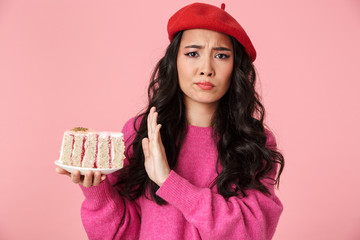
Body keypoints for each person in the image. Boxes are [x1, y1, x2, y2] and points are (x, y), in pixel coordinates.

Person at [56, 2, 285, 240]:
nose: (206, 69)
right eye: (192, 53)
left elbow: (253, 232)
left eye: (221, 55)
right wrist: (96, 191)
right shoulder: (141, 134)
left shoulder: (254, 142)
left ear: (235, 67)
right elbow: (121, 233)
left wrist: (169, 182)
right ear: (174, 62)